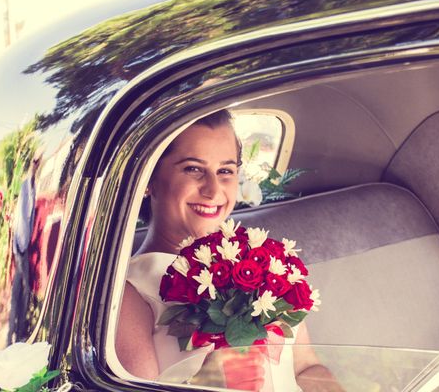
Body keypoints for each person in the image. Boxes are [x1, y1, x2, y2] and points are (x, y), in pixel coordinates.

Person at [116, 110, 341, 391]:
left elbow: (307, 367)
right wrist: (205, 384)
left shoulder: (262, 264)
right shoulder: (127, 292)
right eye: (193, 168)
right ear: (147, 180)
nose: (213, 190)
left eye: (225, 171)